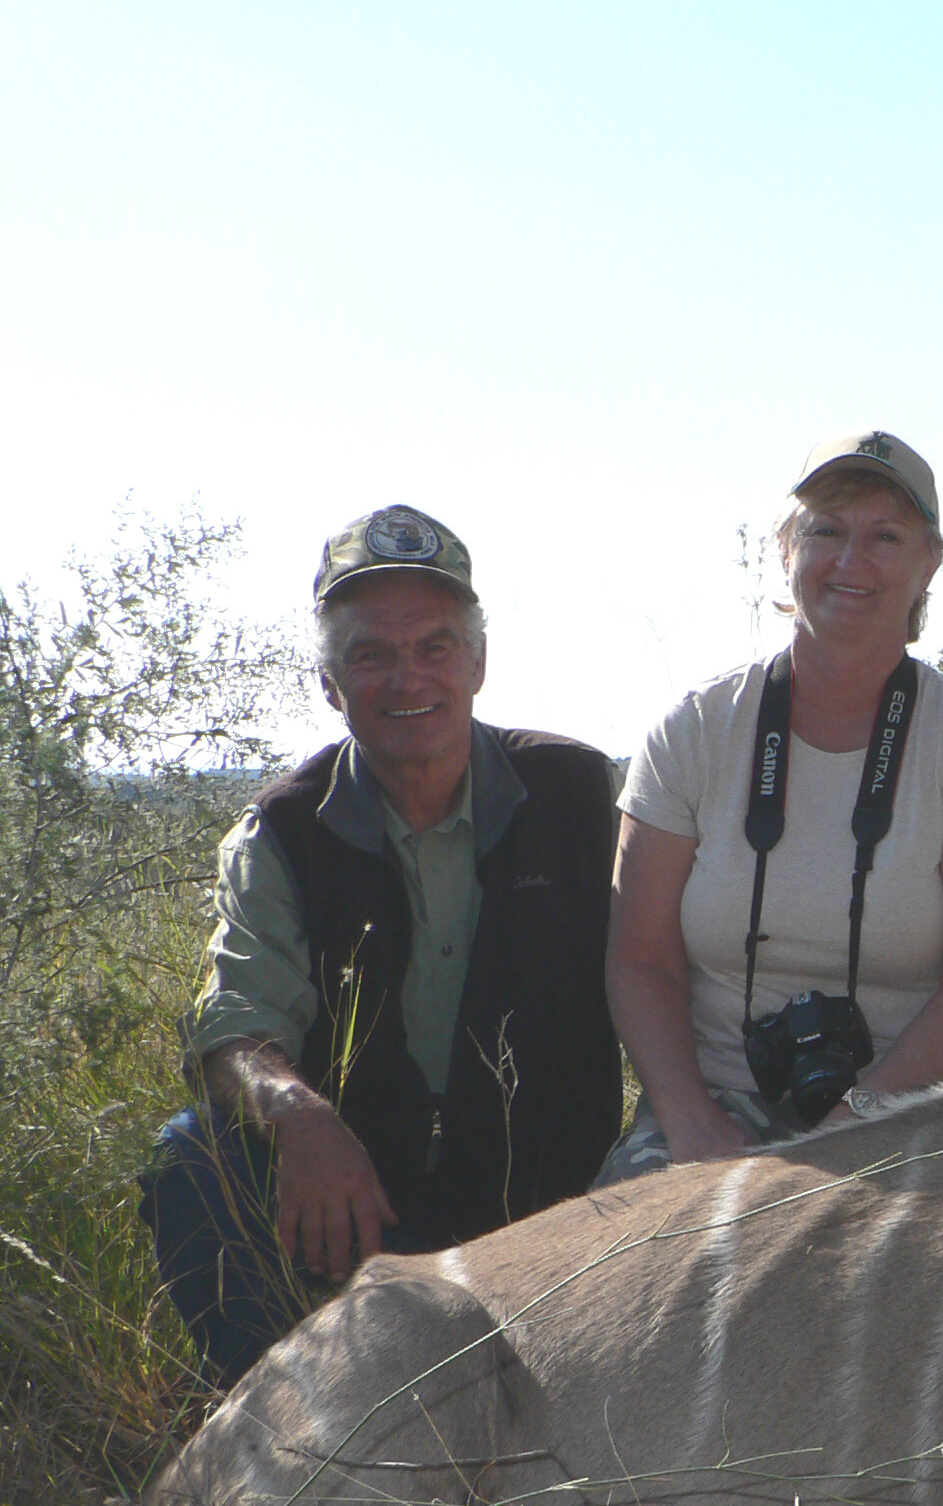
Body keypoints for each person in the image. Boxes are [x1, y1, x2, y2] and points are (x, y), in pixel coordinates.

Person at [143, 506, 623, 1386]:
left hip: (557, 1223)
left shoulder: (583, 795)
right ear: (331, 683)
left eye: (435, 646)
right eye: (371, 654)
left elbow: (669, 980)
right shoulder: (284, 830)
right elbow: (234, 1027)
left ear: (479, 663)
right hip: (363, 1221)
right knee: (194, 1156)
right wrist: (298, 1117)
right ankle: (286, 1442)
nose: (409, 677)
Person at [598, 431, 943, 1179]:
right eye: (825, 532)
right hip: (719, 1106)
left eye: (885, 536)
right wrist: (688, 1117)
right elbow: (639, 959)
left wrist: (857, 1119)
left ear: (929, 564)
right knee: (614, 1262)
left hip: (910, 1112)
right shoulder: (694, 729)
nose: (849, 561)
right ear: (784, 551)